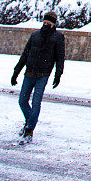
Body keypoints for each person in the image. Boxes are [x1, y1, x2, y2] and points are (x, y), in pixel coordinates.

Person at [11, 10, 65, 144]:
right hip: (29, 72)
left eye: (48, 23)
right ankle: (29, 121)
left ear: (53, 24)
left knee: (36, 102)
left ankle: (29, 129)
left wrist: (58, 75)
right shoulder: (35, 35)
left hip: (43, 74)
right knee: (22, 101)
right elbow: (25, 54)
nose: (46, 25)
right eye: (44, 22)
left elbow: (60, 58)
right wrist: (16, 72)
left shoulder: (58, 38)